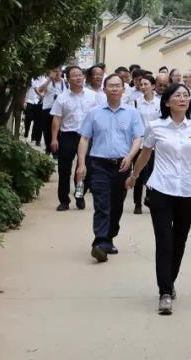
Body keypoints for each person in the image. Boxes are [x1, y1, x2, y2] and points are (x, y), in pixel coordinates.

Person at [127, 83, 191, 315]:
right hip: (161, 190)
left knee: (179, 242)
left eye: (186, 95)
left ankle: (170, 281)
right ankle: (164, 292)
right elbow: (145, 154)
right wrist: (134, 176)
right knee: (165, 241)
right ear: (167, 102)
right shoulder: (155, 127)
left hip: (187, 192)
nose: (183, 99)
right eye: (178, 95)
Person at [75, 75, 147, 263]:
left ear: (123, 89)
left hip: (122, 165)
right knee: (102, 203)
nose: (114, 89)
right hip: (99, 164)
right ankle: (100, 242)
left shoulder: (132, 113)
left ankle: (109, 237)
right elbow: (84, 138)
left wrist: (130, 156)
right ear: (104, 89)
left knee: (117, 205)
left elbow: (138, 138)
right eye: (111, 86)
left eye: (118, 86)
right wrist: (81, 164)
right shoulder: (94, 113)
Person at [50, 66, 96, 211]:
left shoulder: (92, 96)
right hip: (68, 135)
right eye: (75, 75)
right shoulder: (62, 98)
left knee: (85, 169)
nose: (78, 78)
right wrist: (54, 139)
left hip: (87, 136)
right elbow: (57, 119)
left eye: (80, 75)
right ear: (68, 79)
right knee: (64, 170)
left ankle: (79, 195)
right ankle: (64, 200)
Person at [132, 72, 161, 214]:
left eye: (146, 84)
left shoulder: (160, 102)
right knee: (138, 172)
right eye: (141, 84)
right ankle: (137, 203)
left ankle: (149, 198)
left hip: (156, 143)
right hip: (140, 142)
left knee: (153, 172)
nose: (143, 87)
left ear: (153, 86)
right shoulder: (136, 102)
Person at [36, 68, 65, 154]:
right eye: (55, 71)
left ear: (61, 72)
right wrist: (49, 79)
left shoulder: (65, 82)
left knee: (59, 131)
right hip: (48, 108)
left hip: (60, 110)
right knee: (47, 130)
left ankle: (56, 151)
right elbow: (39, 90)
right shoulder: (47, 81)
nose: (57, 73)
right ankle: (48, 148)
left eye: (58, 71)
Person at [23, 74, 44, 141]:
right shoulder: (32, 78)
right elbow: (26, 90)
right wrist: (25, 101)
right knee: (28, 117)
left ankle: (33, 137)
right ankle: (26, 131)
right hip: (30, 100)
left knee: (37, 121)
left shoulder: (44, 79)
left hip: (38, 101)